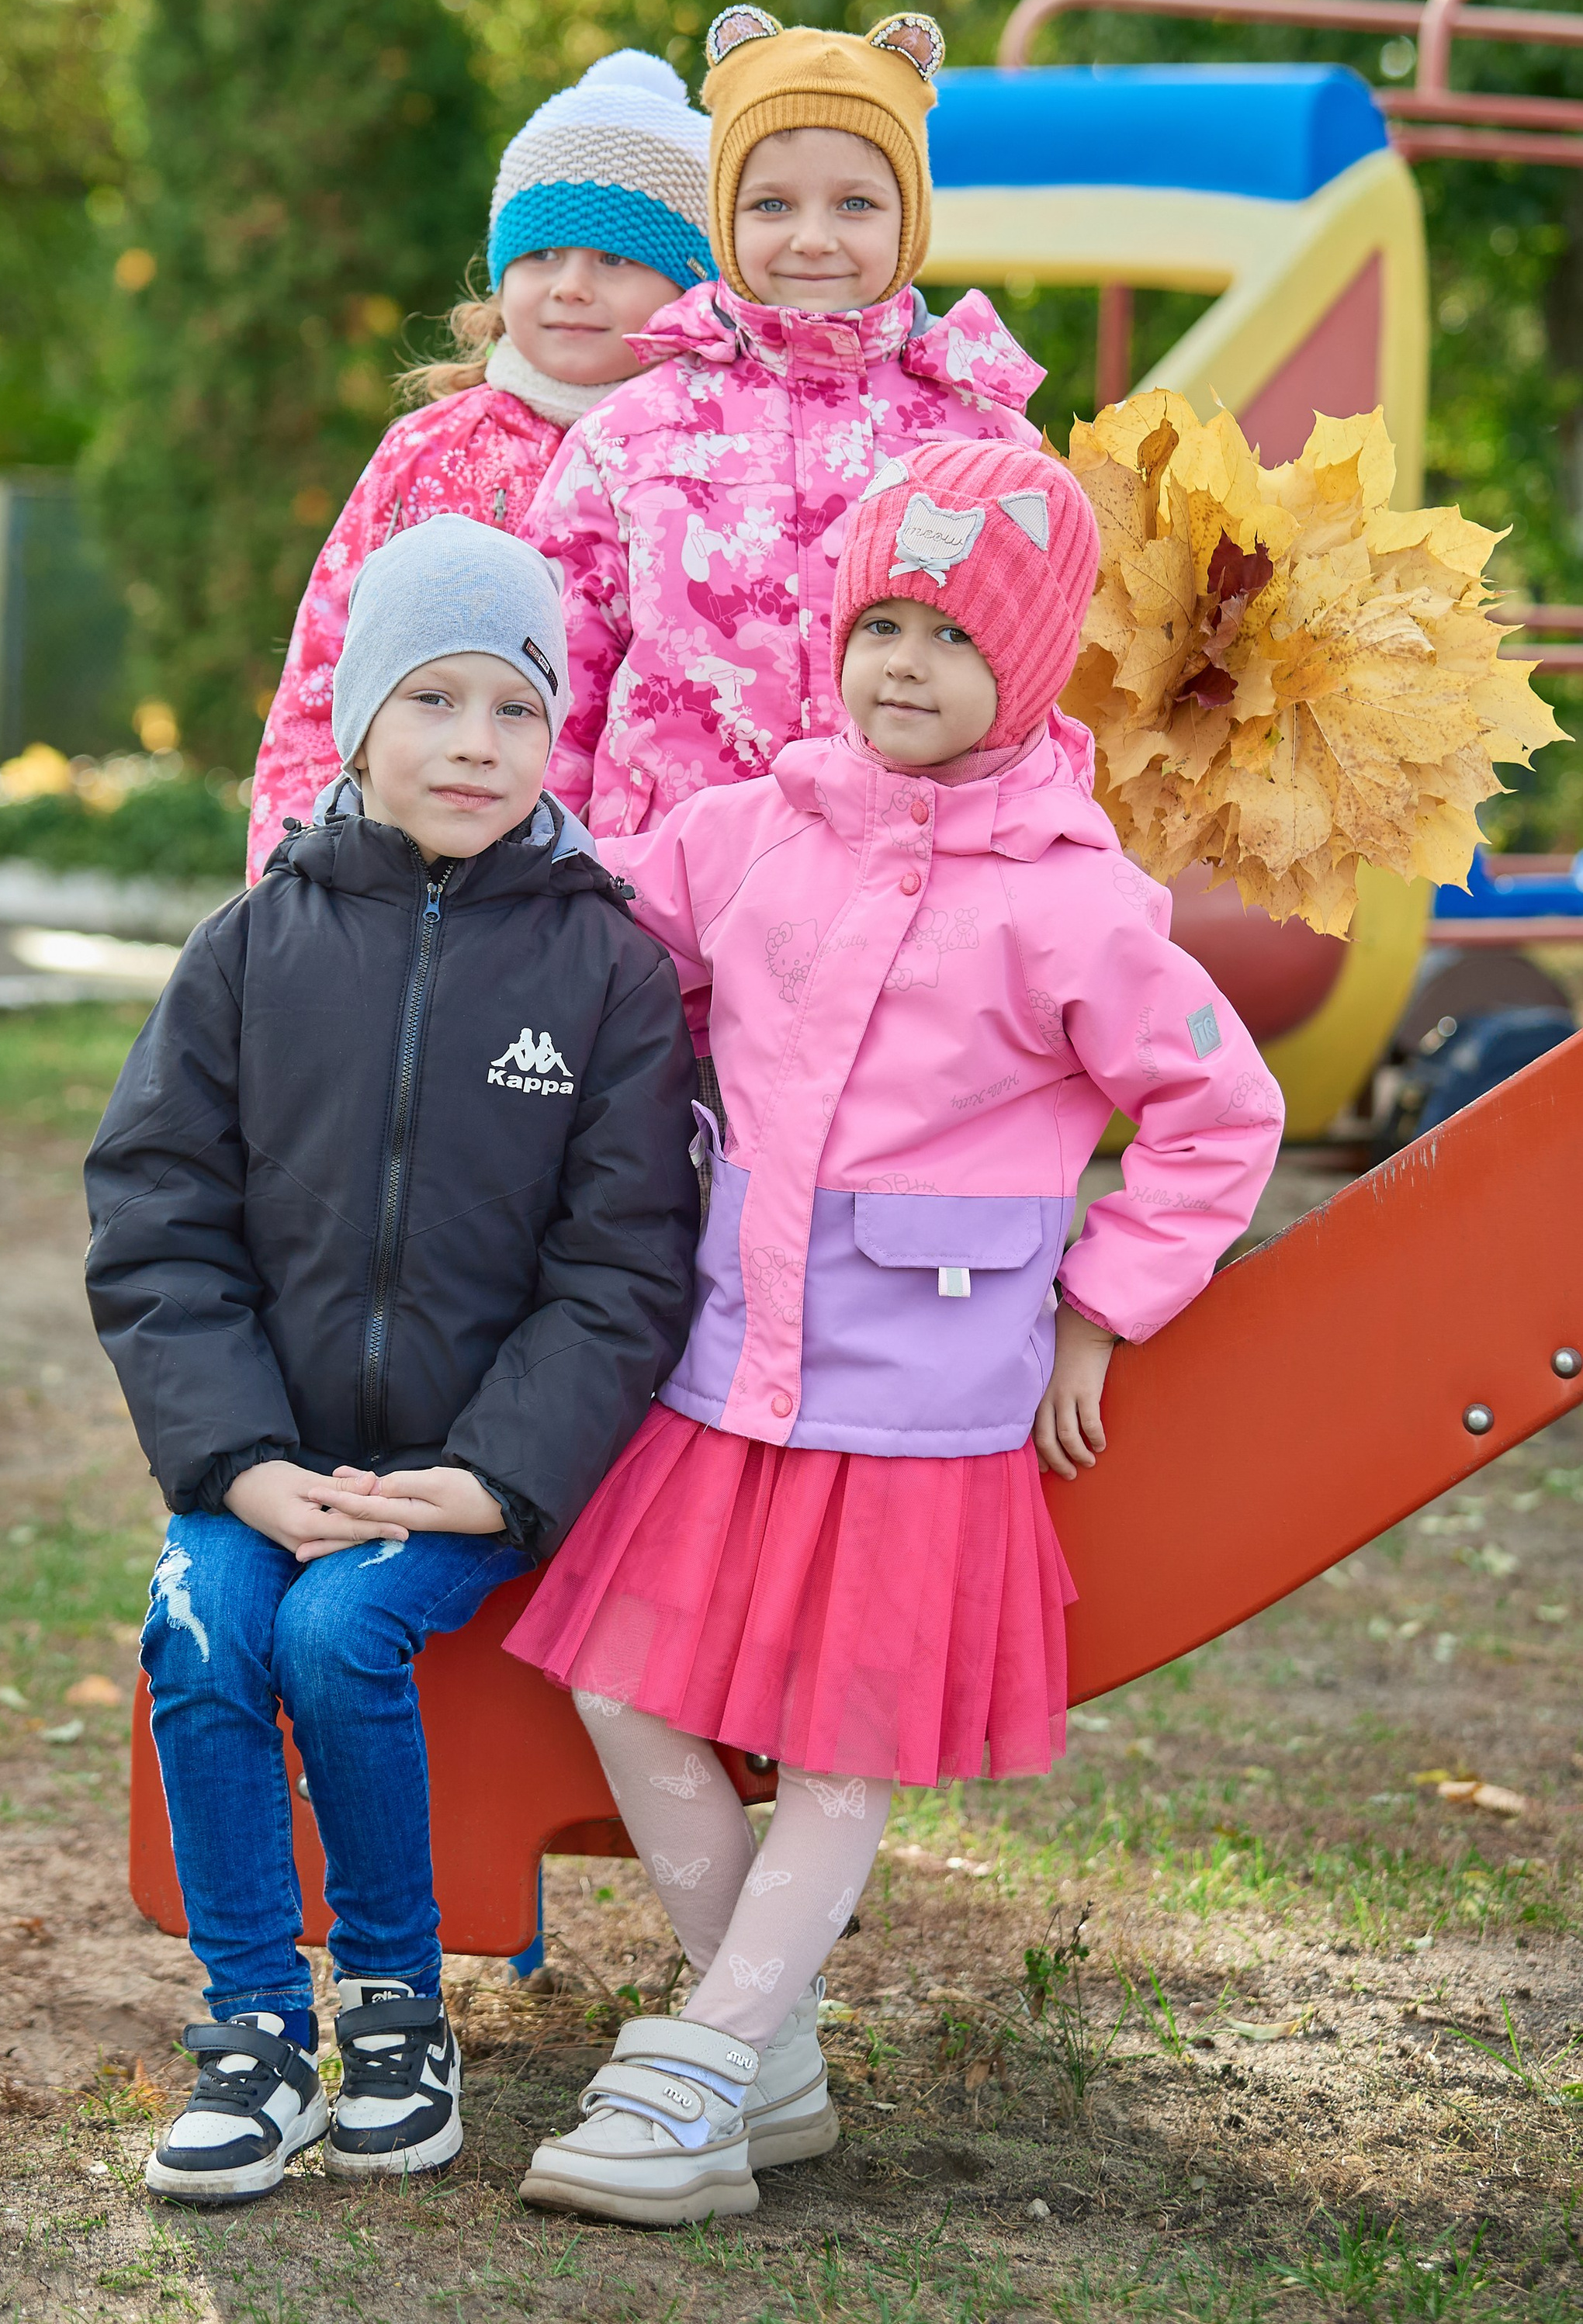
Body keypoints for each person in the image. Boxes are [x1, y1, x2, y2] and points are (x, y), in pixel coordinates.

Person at [504, 436, 1285, 2225]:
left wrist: (1099, 1304)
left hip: (915, 1399)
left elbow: (1211, 1114)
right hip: (723, 1372)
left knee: (844, 1743)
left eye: (949, 632)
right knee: (620, 1678)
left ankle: (699, 2065)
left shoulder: (1071, 900)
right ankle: (758, 2048)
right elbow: (606, 971)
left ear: (1021, 666)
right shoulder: (739, 834)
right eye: (877, 622)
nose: (903, 664)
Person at [88, 520, 701, 2205]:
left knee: (344, 1632)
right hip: (267, 1453)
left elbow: (623, 1265)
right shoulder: (250, 950)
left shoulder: (604, 969)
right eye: (431, 701)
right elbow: (157, 1217)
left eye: (514, 710)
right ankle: (255, 2039)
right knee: (207, 1628)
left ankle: (394, 2018)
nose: (473, 744)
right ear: (358, 719)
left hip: (464, 1470)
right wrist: (232, 1463)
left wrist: (490, 1481)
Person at [521, 5, 1048, 843]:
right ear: (724, 216)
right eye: (770, 204)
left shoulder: (984, 444)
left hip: (914, 895)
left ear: (907, 219)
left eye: (855, 204)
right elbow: (552, 678)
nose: (812, 238)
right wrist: (536, 878)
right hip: (667, 906)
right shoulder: (630, 438)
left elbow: (1041, 683)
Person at [246, 50, 712, 873]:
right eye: (540, 256)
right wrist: (293, 863)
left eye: (615, 259)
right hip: (418, 868)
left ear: (692, 281)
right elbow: (327, 666)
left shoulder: (712, 461)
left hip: (628, 879)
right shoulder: (430, 451)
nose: (570, 286)